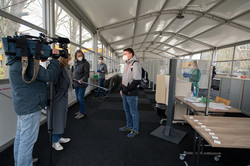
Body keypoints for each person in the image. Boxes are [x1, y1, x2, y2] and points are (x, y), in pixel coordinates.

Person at [7, 49, 60, 166]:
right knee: (27, 142)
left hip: (23, 107)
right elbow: (49, 75)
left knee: (21, 139)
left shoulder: (14, 61)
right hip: (30, 108)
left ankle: (22, 162)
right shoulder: (27, 63)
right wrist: (55, 60)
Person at [47, 55, 73, 151]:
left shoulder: (67, 68)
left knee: (62, 118)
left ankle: (59, 137)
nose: (71, 60)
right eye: (70, 58)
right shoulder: (59, 69)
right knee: (56, 119)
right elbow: (51, 84)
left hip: (62, 96)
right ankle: (54, 141)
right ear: (65, 59)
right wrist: (53, 97)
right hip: (57, 98)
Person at [119, 48, 142, 138]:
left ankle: (135, 129)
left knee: (133, 112)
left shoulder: (135, 64)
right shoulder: (126, 64)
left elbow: (137, 80)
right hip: (125, 92)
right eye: (123, 53)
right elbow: (124, 78)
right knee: (127, 110)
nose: (124, 55)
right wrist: (121, 88)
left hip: (131, 93)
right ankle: (129, 126)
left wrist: (127, 89)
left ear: (131, 54)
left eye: (125, 53)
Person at [73, 50, 90, 119]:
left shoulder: (86, 63)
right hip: (75, 83)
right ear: (76, 57)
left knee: (80, 98)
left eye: (81, 55)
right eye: (78, 56)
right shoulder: (75, 63)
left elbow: (87, 74)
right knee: (78, 98)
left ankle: (82, 112)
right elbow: (72, 71)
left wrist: (82, 79)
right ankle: (80, 110)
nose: (80, 57)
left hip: (82, 84)